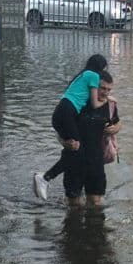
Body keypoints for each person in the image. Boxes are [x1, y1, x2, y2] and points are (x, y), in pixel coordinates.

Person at [32, 53, 108, 201]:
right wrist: (107, 100)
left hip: (59, 113)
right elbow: (94, 103)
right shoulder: (93, 75)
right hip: (67, 113)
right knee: (77, 151)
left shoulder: (81, 75)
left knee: (74, 150)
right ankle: (45, 177)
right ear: (100, 67)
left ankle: (45, 178)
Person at [62, 73, 121, 209]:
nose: (105, 92)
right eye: (102, 88)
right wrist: (64, 143)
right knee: (74, 204)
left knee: (95, 202)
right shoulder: (77, 102)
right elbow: (59, 128)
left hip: (96, 161)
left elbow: (117, 122)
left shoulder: (110, 105)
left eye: (108, 89)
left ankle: (95, 228)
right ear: (93, 87)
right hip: (75, 160)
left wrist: (116, 127)